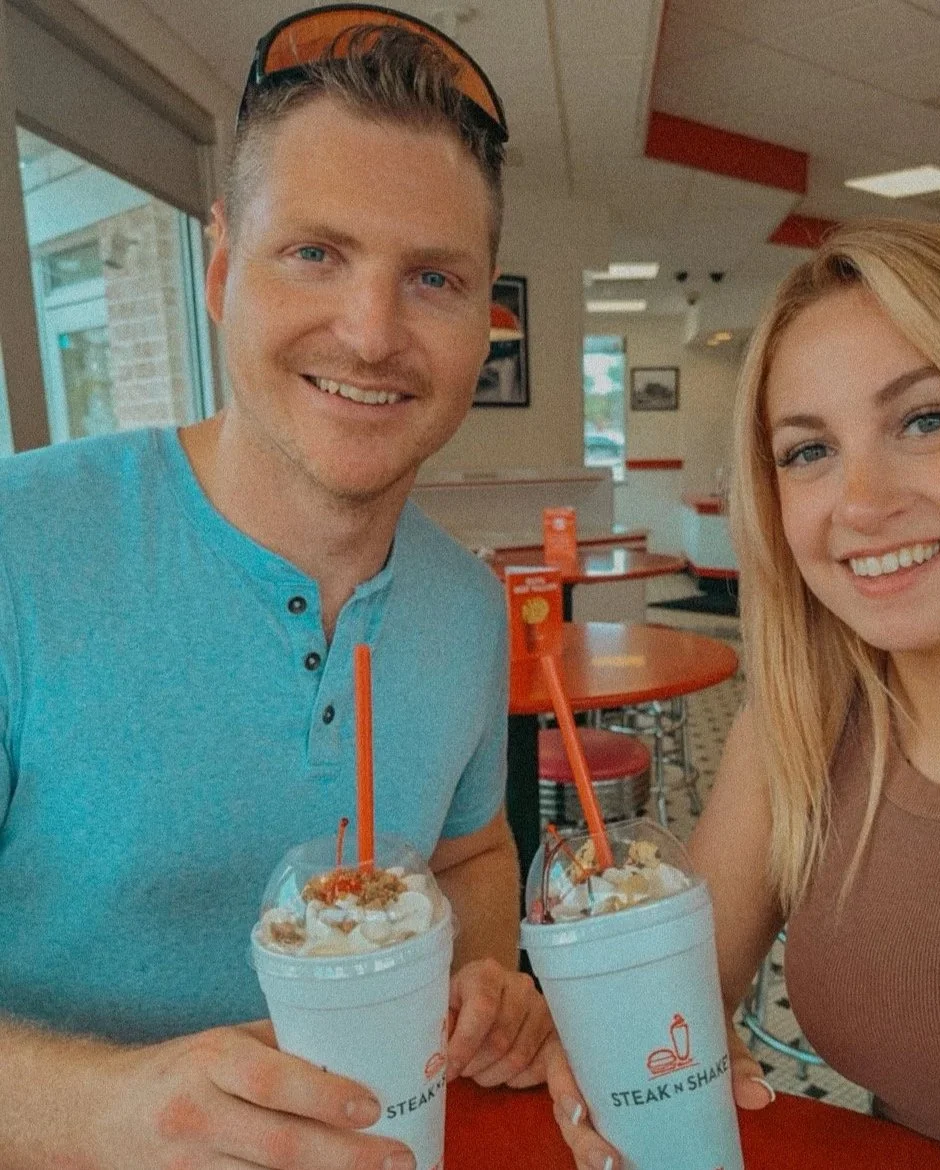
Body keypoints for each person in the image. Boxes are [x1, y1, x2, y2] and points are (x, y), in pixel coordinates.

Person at [0, 10, 552, 1169]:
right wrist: (106, 1111)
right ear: (217, 268)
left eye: (433, 278)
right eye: (315, 253)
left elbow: (469, 852)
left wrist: (484, 982)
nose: (370, 332)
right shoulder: (19, 548)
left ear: (483, 316)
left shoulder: (468, 608)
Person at [548, 219, 940, 1170]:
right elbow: (675, 1001)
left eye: (926, 419)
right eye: (808, 452)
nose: (861, 504)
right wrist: (598, 1046)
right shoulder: (799, 721)